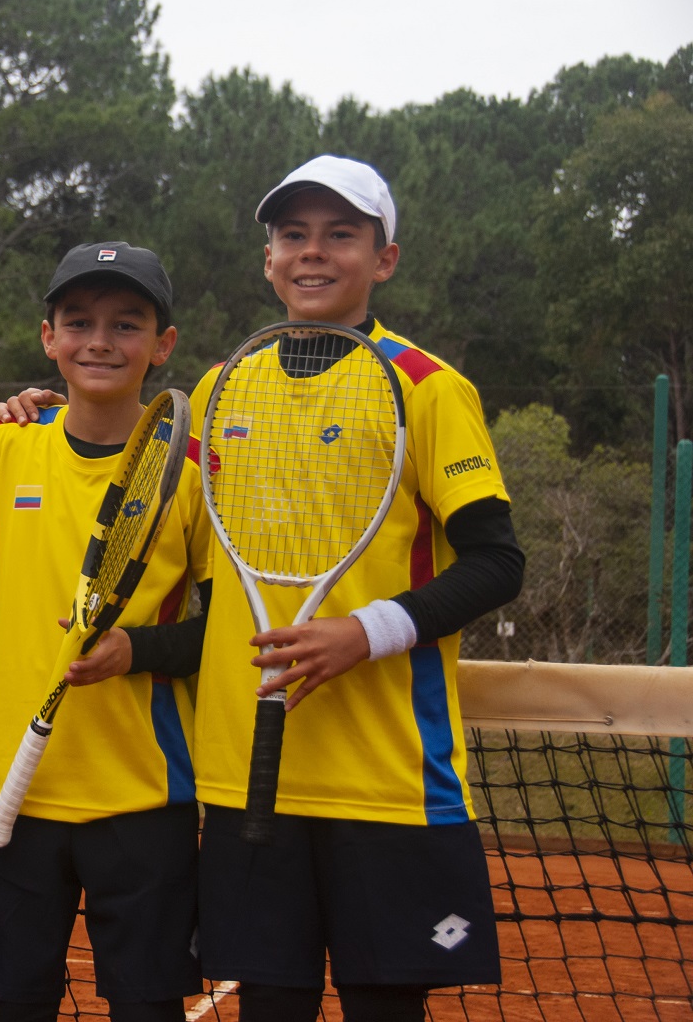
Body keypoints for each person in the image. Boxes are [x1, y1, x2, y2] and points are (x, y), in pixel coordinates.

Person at [189, 156, 525, 1022]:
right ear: (267, 259)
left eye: (342, 233)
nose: (313, 252)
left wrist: (363, 632)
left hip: (386, 779)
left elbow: (496, 562)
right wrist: (37, 409)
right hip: (243, 779)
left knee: (384, 1008)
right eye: (293, 234)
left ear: (385, 259)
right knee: (267, 1005)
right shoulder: (217, 389)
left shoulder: (430, 388)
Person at [0, 243, 210, 1022]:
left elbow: (227, 634)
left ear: (163, 344)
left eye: (126, 323)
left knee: (147, 1010)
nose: (99, 342)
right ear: (48, 337)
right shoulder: (7, 442)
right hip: (14, 790)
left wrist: (137, 649)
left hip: (146, 797)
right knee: (17, 1008)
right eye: (77, 322)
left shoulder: (198, 474)